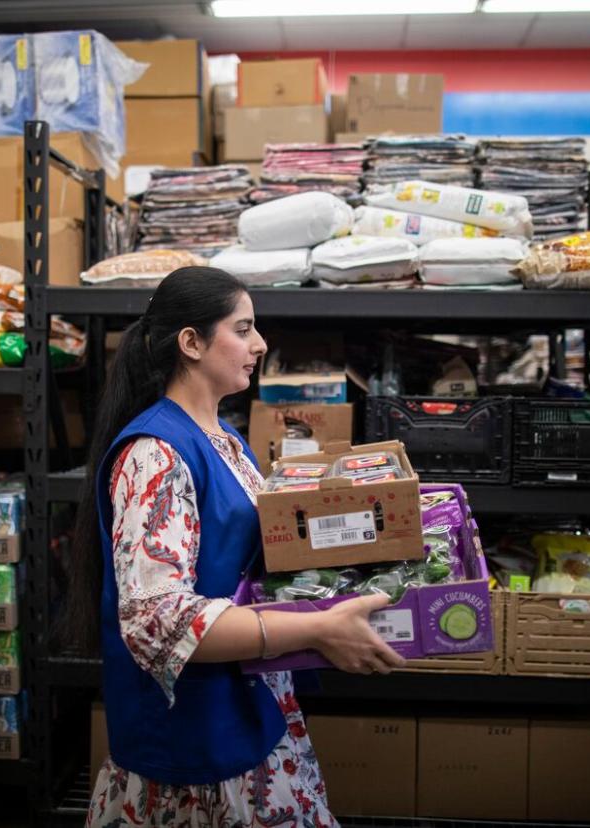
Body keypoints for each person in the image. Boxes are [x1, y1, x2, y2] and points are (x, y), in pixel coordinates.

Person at [71, 267, 405, 826]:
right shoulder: (156, 454)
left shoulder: (224, 437)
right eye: (244, 329)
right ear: (192, 343)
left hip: (247, 708)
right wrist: (317, 629)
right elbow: (158, 617)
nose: (261, 344)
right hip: (195, 741)